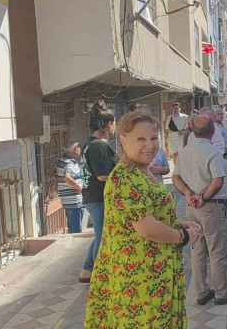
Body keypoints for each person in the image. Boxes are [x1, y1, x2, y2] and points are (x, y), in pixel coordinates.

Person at [85, 110, 201, 328]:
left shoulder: (142, 170)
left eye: (154, 138)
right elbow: (147, 228)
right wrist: (184, 236)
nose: (149, 145)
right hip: (138, 280)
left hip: (152, 273)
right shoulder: (125, 176)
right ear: (123, 140)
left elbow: (148, 215)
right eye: (141, 139)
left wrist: (178, 224)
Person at [172, 115, 227, 306]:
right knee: (217, 251)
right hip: (211, 206)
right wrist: (203, 197)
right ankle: (222, 293)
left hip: (192, 208)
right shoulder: (213, 152)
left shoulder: (184, 151)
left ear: (192, 130)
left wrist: (188, 194)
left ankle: (201, 292)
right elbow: (217, 180)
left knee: (197, 249)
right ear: (213, 132)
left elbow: (176, 178)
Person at [79, 101, 117, 283]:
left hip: (94, 197)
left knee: (100, 234)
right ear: (109, 124)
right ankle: (99, 277)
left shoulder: (93, 143)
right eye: (114, 122)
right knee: (103, 236)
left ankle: (87, 270)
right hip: (98, 198)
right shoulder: (97, 146)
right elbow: (103, 176)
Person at [56, 140, 85, 234]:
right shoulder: (69, 163)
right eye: (78, 147)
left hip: (71, 201)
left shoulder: (63, 161)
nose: (80, 149)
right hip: (74, 202)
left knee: (75, 228)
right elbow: (67, 177)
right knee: (75, 231)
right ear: (74, 150)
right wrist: (79, 189)